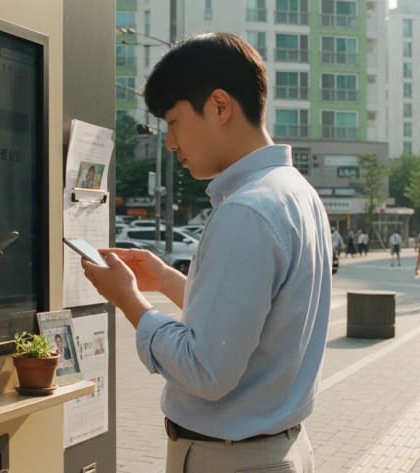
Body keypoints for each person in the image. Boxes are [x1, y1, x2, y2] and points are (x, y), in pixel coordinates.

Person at [80, 33, 329, 472]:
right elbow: (250, 322)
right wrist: (165, 279)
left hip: (231, 459)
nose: (170, 143)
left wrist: (129, 300)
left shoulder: (247, 210)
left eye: (174, 122)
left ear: (219, 106)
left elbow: (206, 369)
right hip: (275, 449)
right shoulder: (296, 193)